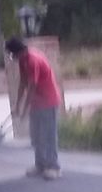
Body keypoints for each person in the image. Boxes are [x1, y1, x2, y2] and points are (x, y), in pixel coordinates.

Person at [5, 35, 62, 179]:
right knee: (36, 135)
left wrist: (24, 110)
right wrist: (17, 105)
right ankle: (40, 164)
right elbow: (23, 84)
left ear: (16, 52)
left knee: (48, 135)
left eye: (12, 54)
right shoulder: (23, 60)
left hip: (49, 101)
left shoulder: (32, 60)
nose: (12, 57)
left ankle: (53, 166)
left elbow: (32, 86)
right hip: (37, 102)